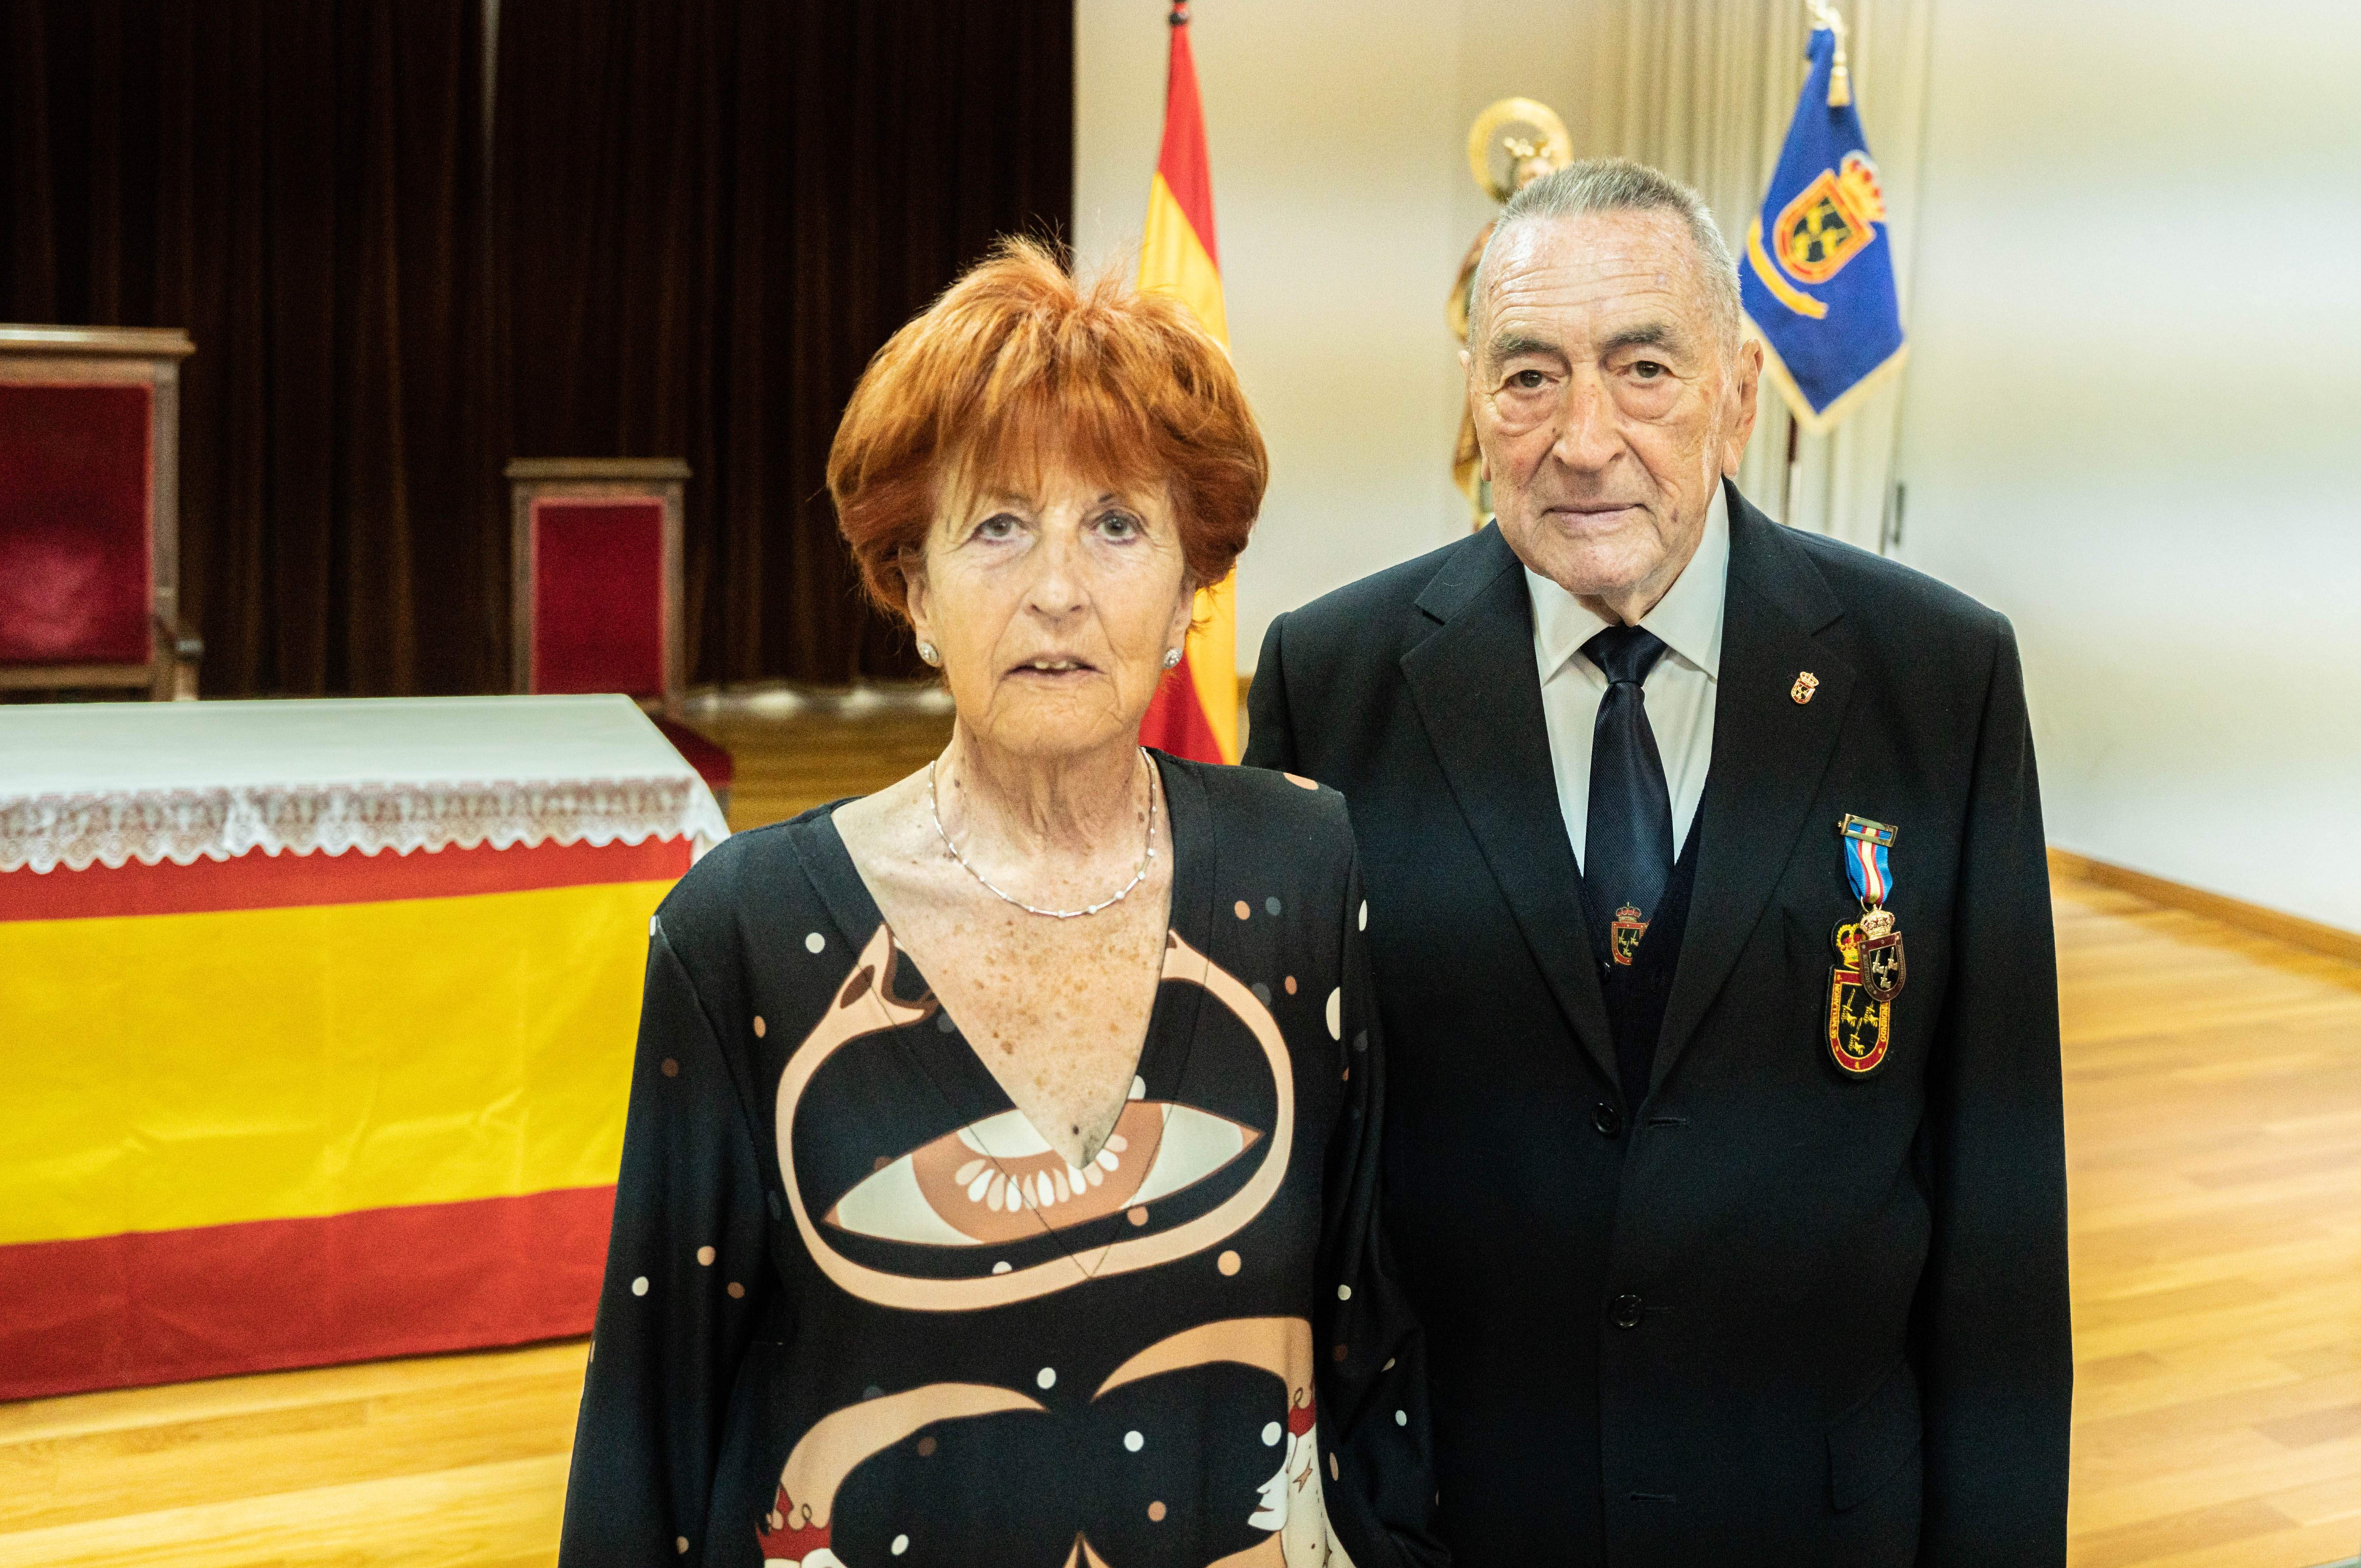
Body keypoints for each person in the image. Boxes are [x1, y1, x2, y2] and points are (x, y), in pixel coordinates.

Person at [561, 239, 1441, 1568]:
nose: (1057, 589)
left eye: (1116, 523)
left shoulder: (1304, 872)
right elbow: (652, 1418)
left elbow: (1372, 1339)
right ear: (912, 592)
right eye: (996, 525)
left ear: (1190, 595)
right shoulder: (742, 935)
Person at [1245, 160, 2070, 1566]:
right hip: (1462, 1513)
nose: (1582, 438)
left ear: (1739, 390)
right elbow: (1304, 1178)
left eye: (1643, 368)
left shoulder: (1938, 680)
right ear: (1473, 402)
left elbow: (1998, 1195)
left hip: (1812, 1517)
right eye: (1526, 376)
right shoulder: (1332, 682)